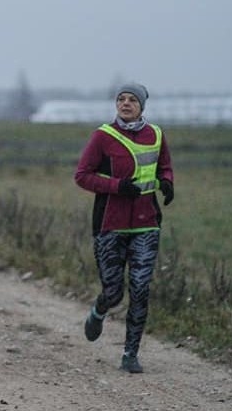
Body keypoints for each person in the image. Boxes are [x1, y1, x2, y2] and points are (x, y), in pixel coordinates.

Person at [74, 82, 174, 373]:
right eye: (121, 99)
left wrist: (167, 182)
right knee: (114, 292)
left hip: (146, 225)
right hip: (110, 225)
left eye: (132, 100)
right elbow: (82, 176)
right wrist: (117, 186)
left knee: (141, 289)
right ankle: (99, 309)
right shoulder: (103, 137)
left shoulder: (155, 134)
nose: (125, 104)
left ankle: (130, 354)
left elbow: (164, 165)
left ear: (142, 106)